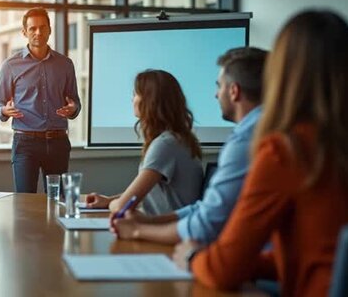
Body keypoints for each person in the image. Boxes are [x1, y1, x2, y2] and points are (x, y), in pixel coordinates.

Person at [173, 10, 348, 297]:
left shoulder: (285, 152)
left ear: (282, 75)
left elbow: (223, 270)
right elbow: (325, 258)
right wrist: (249, 265)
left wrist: (194, 258)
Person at [111, 47, 267, 244]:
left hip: (179, 242)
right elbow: (202, 209)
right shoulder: (179, 139)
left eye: (219, 86)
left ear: (234, 91)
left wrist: (138, 230)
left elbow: (206, 222)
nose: (215, 95)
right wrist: (147, 221)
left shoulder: (245, 141)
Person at [85, 70, 203, 216]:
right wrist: (108, 200)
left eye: (135, 94)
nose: (132, 99)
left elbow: (121, 207)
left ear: (149, 101)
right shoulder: (176, 139)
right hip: (170, 228)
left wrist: (113, 204)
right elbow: (144, 194)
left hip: (168, 233)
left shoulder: (165, 145)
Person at [0, 7, 81, 193]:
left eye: (43, 27)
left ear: (50, 29)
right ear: (24, 32)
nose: (38, 32)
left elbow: (75, 102)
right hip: (25, 144)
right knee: (24, 202)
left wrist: (73, 109)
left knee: (59, 202)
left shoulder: (65, 64)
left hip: (58, 142)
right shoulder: (11, 66)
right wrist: (3, 111)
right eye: (32, 28)